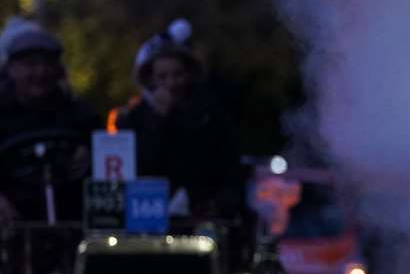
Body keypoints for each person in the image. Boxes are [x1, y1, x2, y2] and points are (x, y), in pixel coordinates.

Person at [116, 20, 242, 218]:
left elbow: (228, 170)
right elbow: (138, 169)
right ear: (151, 80)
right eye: (162, 77)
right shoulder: (132, 120)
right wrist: (158, 121)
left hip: (199, 218)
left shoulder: (209, 116)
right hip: (148, 218)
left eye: (178, 75)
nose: (171, 84)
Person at [0, 23, 96, 223]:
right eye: (30, 64)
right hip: (14, 233)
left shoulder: (82, 115)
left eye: (48, 63)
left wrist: (90, 157)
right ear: (10, 69)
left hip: (73, 227)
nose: (41, 72)